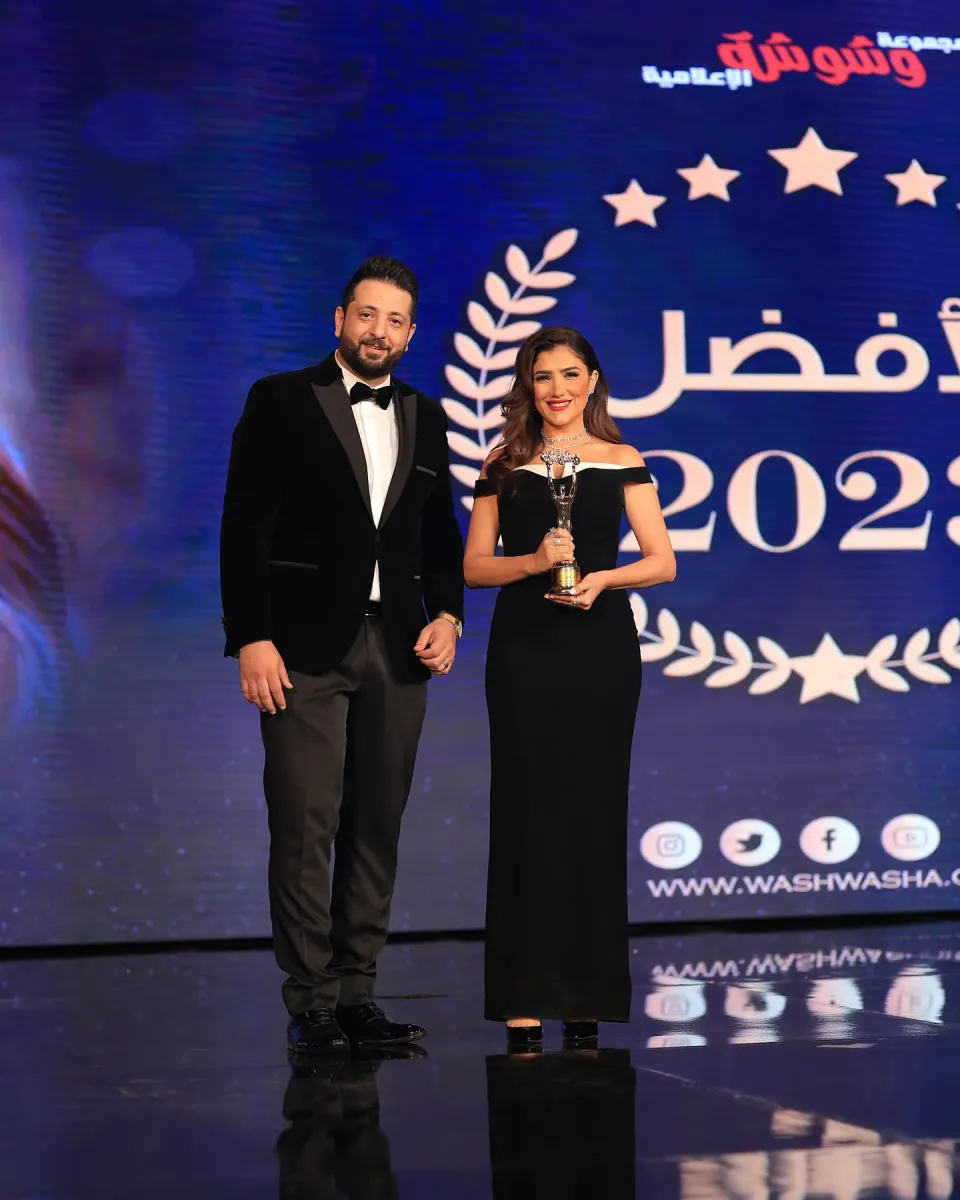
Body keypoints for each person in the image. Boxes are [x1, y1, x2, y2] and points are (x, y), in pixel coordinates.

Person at [220, 256, 464, 1057]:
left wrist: (450, 615)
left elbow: (438, 533)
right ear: (339, 318)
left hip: (398, 648)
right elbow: (245, 526)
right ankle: (313, 1003)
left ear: (411, 334)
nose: (378, 332)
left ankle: (358, 995)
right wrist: (251, 636)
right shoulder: (281, 400)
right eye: (367, 315)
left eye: (395, 321)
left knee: (376, 827)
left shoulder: (426, 414)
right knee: (305, 825)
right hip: (300, 650)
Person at [464, 326, 676, 1050]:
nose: (557, 389)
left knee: (593, 812)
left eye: (569, 374)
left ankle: (586, 995)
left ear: (592, 381)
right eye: (543, 376)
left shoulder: (623, 459)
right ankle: (523, 997)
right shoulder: (501, 464)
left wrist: (603, 579)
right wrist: (532, 561)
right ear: (528, 386)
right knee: (525, 812)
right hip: (525, 653)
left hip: (600, 652)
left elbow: (662, 561)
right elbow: (474, 567)